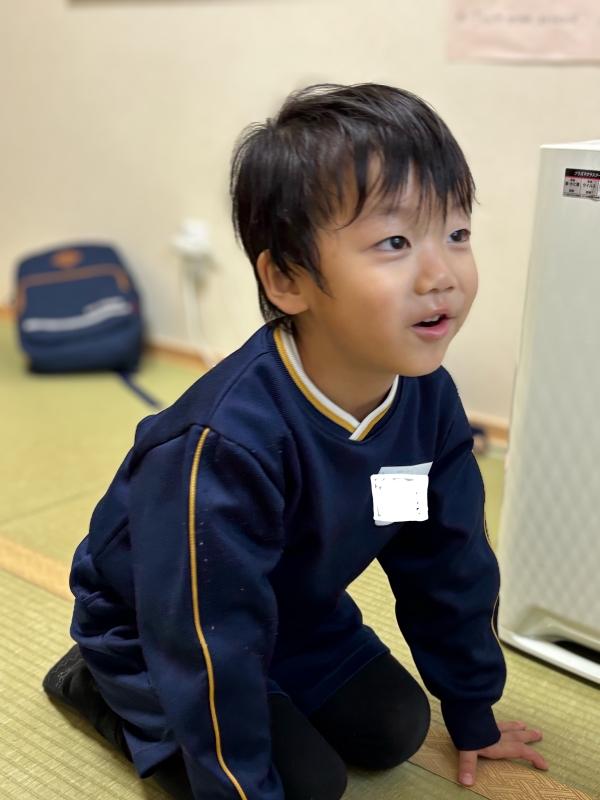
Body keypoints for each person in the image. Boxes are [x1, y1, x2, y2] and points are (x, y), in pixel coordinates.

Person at [43, 83, 548, 800]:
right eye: (396, 242)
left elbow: (448, 558)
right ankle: (93, 681)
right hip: (159, 630)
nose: (442, 276)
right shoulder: (224, 445)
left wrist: (472, 708)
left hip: (291, 610)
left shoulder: (424, 395)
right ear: (285, 278)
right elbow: (206, 644)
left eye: (457, 233)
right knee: (301, 786)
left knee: (397, 726)